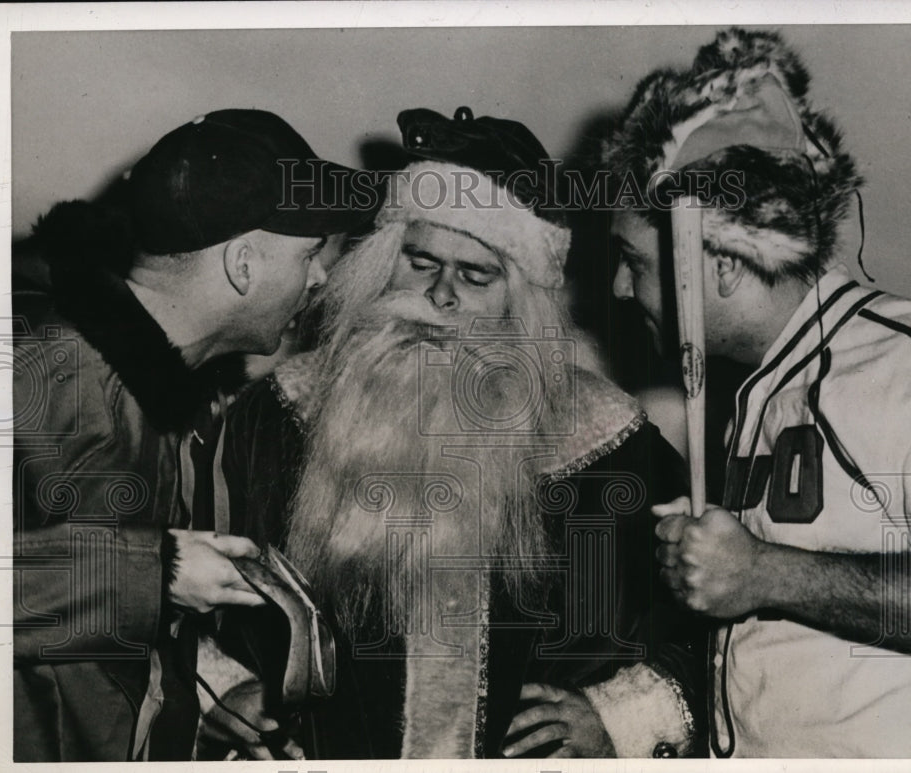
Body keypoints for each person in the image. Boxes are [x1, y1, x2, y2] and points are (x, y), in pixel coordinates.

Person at [221, 106, 704, 759]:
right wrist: (228, 691)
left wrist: (620, 716)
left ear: (522, 299)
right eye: (419, 262)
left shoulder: (610, 441)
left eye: (476, 275)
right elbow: (195, 592)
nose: (440, 295)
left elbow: (721, 625)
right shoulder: (278, 416)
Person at [603, 28, 911, 757]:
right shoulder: (759, 393)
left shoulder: (908, 357)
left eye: (632, 262)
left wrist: (763, 572)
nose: (615, 287)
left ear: (725, 266)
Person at [12, 108, 374, 761]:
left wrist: (204, 709)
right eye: (310, 254)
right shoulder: (36, 371)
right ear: (242, 264)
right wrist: (157, 572)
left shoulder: (181, 399)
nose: (320, 279)